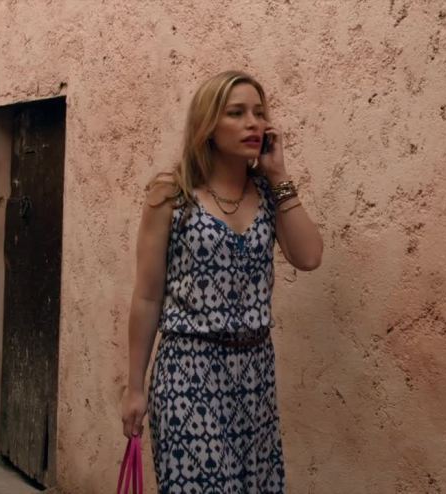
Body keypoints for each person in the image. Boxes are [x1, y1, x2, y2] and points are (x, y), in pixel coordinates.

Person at [120, 70, 323, 493]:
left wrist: (279, 176)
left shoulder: (268, 196)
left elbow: (308, 257)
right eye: (236, 113)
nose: (254, 123)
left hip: (254, 376)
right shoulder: (171, 195)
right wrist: (134, 388)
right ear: (208, 126)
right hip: (188, 373)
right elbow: (147, 297)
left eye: (259, 113)